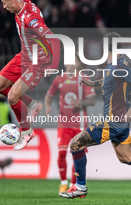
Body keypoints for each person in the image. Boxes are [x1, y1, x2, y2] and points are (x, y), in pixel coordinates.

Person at [59, 32, 131, 200]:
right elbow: (108, 80)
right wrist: (92, 83)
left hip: (113, 121)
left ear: (104, 47)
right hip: (121, 124)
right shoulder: (116, 65)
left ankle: (80, 186)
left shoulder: (118, 66)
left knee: (75, 144)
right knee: (126, 156)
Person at [0, 0, 61, 151]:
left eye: (3, 3)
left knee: (11, 97)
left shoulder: (30, 19)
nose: (3, 7)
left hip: (37, 61)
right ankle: (32, 105)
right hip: (24, 55)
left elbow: (54, 40)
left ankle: (26, 133)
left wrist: (54, 64)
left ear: (12, 1)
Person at [45, 53, 96, 193]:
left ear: (79, 63)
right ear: (65, 64)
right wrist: (48, 107)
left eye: (75, 61)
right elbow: (49, 95)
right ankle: (63, 183)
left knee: (77, 155)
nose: (72, 64)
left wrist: (81, 102)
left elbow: (92, 100)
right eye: (70, 61)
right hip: (63, 124)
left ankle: (74, 185)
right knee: (62, 153)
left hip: (80, 125)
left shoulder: (84, 78)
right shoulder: (58, 79)